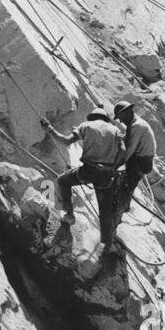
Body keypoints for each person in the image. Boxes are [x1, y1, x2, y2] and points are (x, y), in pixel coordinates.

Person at [42, 107, 123, 253]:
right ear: (105, 118)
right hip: (106, 175)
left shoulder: (86, 125)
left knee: (63, 180)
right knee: (105, 210)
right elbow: (123, 150)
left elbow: (66, 141)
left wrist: (49, 129)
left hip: (88, 171)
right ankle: (107, 243)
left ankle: (69, 214)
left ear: (92, 117)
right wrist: (114, 166)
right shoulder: (115, 130)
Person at [112, 100, 156, 223]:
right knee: (126, 182)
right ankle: (124, 207)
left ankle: (116, 218)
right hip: (141, 159)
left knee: (125, 187)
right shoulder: (136, 123)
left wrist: (114, 167)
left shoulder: (137, 127)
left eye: (120, 118)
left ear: (127, 113)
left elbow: (128, 151)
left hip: (141, 162)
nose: (120, 121)